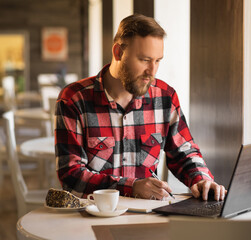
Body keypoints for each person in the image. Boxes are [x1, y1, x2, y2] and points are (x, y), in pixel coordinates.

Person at [55, 14, 226, 201]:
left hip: (150, 215)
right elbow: (71, 177)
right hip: (92, 218)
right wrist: (131, 187)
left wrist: (201, 179)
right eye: (144, 60)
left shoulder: (165, 98)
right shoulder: (74, 99)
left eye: (158, 60)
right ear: (118, 53)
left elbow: (184, 153)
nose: (152, 71)